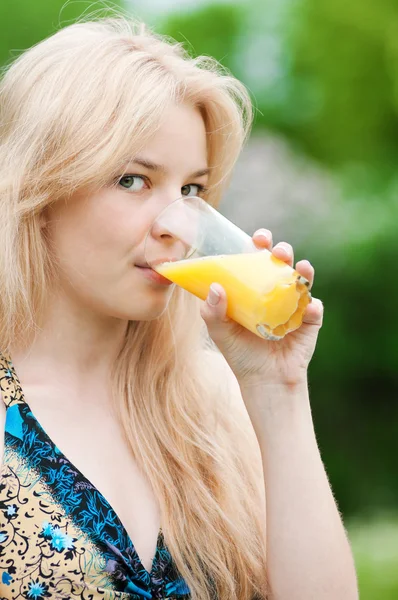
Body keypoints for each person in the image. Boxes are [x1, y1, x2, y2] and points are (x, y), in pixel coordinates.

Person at [0, 13, 358, 600]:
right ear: (41, 191)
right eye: (134, 180)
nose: (177, 226)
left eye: (191, 190)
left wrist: (279, 394)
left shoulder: (209, 399)